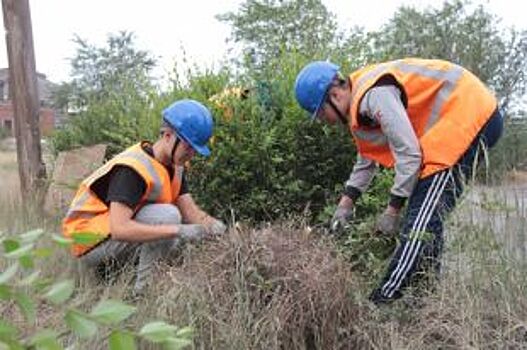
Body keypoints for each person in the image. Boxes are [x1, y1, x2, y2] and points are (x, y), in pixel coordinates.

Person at [294, 58, 503, 304]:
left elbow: (410, 154)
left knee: (419, 223)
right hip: (461, 117)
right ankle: (425, 299)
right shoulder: (358, 102)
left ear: (335, 95)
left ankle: (381, 302)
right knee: (425, 216)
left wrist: (392, 211)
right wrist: (345, 205)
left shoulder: (373, 95)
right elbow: (366, 159)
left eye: (319, 113)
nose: (323, 121)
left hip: (468, 115)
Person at [62, 99, 227, 294]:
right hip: (87, 243)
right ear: (167, 136)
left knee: (173, 237)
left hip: (110, 237)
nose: (192, 154)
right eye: (188, 146)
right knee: (169, 220)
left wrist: (217, 228)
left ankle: (121, 279)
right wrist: (179, 230)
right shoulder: (133, 169)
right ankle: (143, 294)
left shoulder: (176, 166)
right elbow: (120, 229)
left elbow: (191, 212)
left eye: (195, 149)